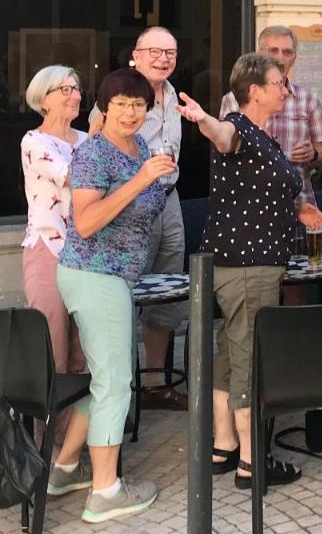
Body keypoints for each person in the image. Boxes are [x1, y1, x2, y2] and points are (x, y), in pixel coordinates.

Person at [180, 53, 322, 490]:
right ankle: (252, 462)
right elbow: (221, 136)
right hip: (247, 265)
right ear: (255, 91)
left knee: (230, 353)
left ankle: (224, 446)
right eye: (279, 82)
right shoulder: (237, 127)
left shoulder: (265, 137)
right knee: (249, 358)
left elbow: (258, 190)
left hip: (242, 262)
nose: (286, 88)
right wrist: (203, 117)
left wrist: (298, 209)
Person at [51, 68, 173, 523]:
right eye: (120, 102)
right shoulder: (93, 153)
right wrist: (141, 181)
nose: (130, 111)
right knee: (115, 383)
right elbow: (85, 223)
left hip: (117, 279)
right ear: (104, 106)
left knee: (105, 377)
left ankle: (64, 467)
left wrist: (157, 178)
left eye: (139, 104)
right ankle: (105, 491)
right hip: (94, 274)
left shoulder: (139, 147)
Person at [90, 26, 187, 410]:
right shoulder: (117, 92)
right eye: (155, 51)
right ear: (137, 54)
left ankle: (156, 383)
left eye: (170, 52)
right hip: (130, 205)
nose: (163, 58)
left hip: (170, 197)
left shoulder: (174, 93)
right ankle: (121, 387)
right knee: (126, 290)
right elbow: (94, 141)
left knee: (167, 288)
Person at [20, 65, 87, 444]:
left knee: (81, 354)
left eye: (76, 88)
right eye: (64, 89)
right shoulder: (35, 141)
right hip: (49, 252)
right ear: (43, 98)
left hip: (85, 253)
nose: (74, 95)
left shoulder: (86, 137)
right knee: (53, 350)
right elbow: (78, 178)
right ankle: (47, 448)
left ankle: (73, 449)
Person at [218, 25, 322, 209]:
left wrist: (313, 153)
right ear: (259, 53)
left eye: (287, 52)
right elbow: (223, 153)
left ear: (294, 58)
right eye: (273, 51)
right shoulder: (233, 100)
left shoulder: (309, 100)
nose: (279, 58)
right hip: (250, 207)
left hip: (299, 205)